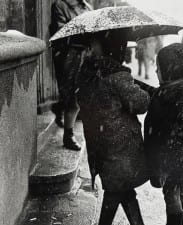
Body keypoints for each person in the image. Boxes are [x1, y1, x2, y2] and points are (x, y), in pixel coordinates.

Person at [77, 30, 150, 225]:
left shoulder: (88, 73)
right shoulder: (117, 76)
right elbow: (140, 104)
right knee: (116, 192)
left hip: (100, 144)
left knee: (123, 191)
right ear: (117, 50)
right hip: (120, 148)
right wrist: (142, 91)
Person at [136, 43, 183, 225]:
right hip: (180, 161)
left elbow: (177, 141)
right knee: (180, 187)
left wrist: (165, 166)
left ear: (169, 71)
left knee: (171, 194)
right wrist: (134, 82)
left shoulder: (179, 102)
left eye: (159, 68)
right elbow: (155, 93)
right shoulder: (174, 92)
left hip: (171, 160)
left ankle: (177, 222)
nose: (156, 71)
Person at [50, 0, 92, 150]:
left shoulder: (86, 6)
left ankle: (59, 108)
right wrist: (82, 28)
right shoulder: (60, 5)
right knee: (72, 95)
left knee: (79, 94)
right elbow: (60, 31)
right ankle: (68, 136)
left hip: (86, 54)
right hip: (70, 55)